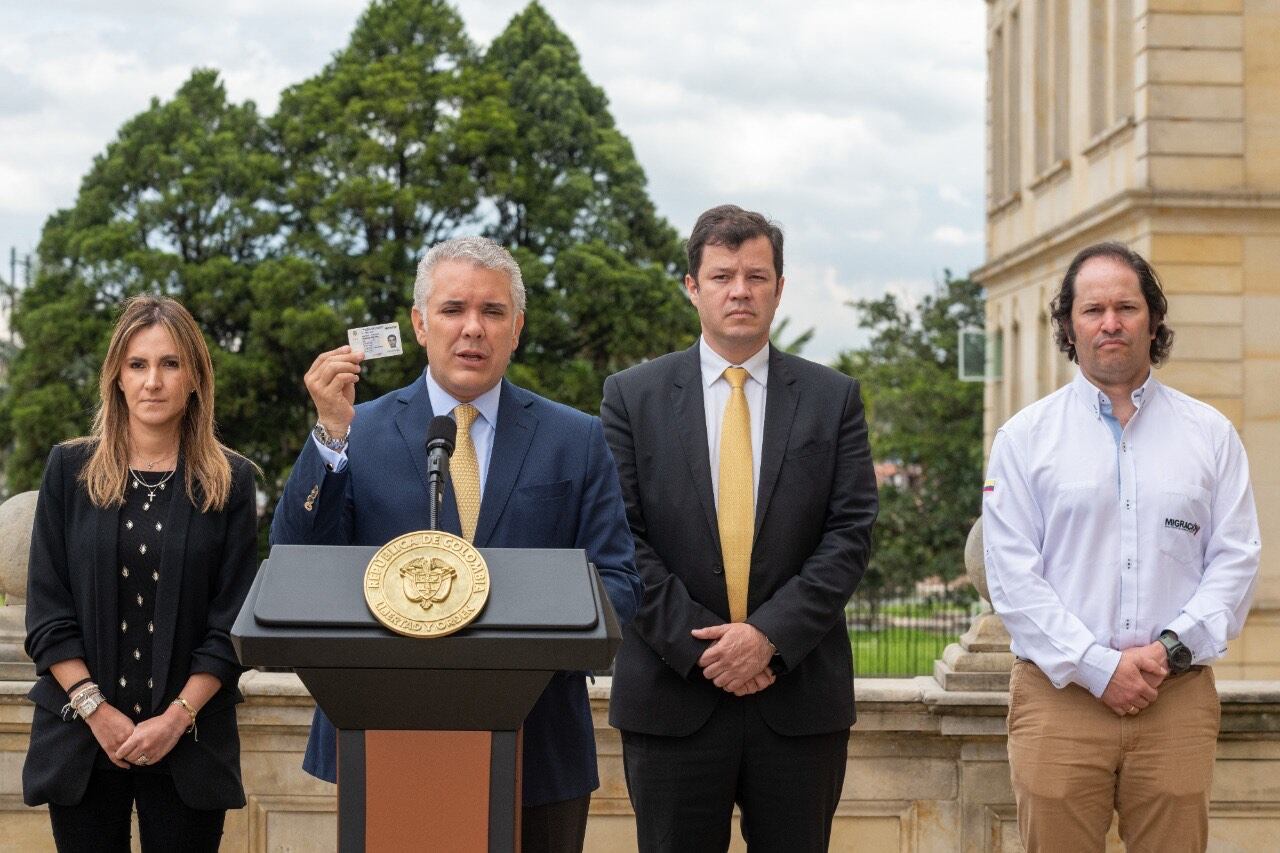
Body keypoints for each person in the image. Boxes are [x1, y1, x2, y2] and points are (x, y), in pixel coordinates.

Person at [270, 235, 642, 853]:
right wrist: (330, 435)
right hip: (386, 738)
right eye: (453, 310)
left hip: (539, 750)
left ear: (517, 328)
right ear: (419, 324)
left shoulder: (575, 439)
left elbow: (620, 588)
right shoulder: (355, 431)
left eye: (493, 312)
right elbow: (297, 564)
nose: (473, 328)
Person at [601, 204, 878, 852]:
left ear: (779, 288)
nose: (740, 290)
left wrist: (768, 638)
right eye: (722, 275)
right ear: (691, 286)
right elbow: (618, 536)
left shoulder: (832, 397)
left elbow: (851, 532)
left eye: (757, 276)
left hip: (798, 695)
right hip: (672, 698)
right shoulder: (630, 396)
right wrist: (705, 650)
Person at [983, 242, 1261, 852]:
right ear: (1069, 325)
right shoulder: (1025, 438)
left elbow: (1236, 561)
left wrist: (1165, 652)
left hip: (1174, 699)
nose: (1110, 323)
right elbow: (1012, 577)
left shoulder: (1209, 435)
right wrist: (1097, 667)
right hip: (1059, 699)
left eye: (1126, 307)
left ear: (1153, 319)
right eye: (1092, 310)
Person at [23, 295, 260, 852]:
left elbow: (231, 625)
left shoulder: (230, 482)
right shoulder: (69, 470)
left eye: (170, 364)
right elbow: (47, 612)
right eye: (138, 365)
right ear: (118, 379)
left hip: (191, 741)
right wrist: (95, 710)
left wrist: (175, 719)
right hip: (80, 739)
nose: (153, 381)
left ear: (196, 378)